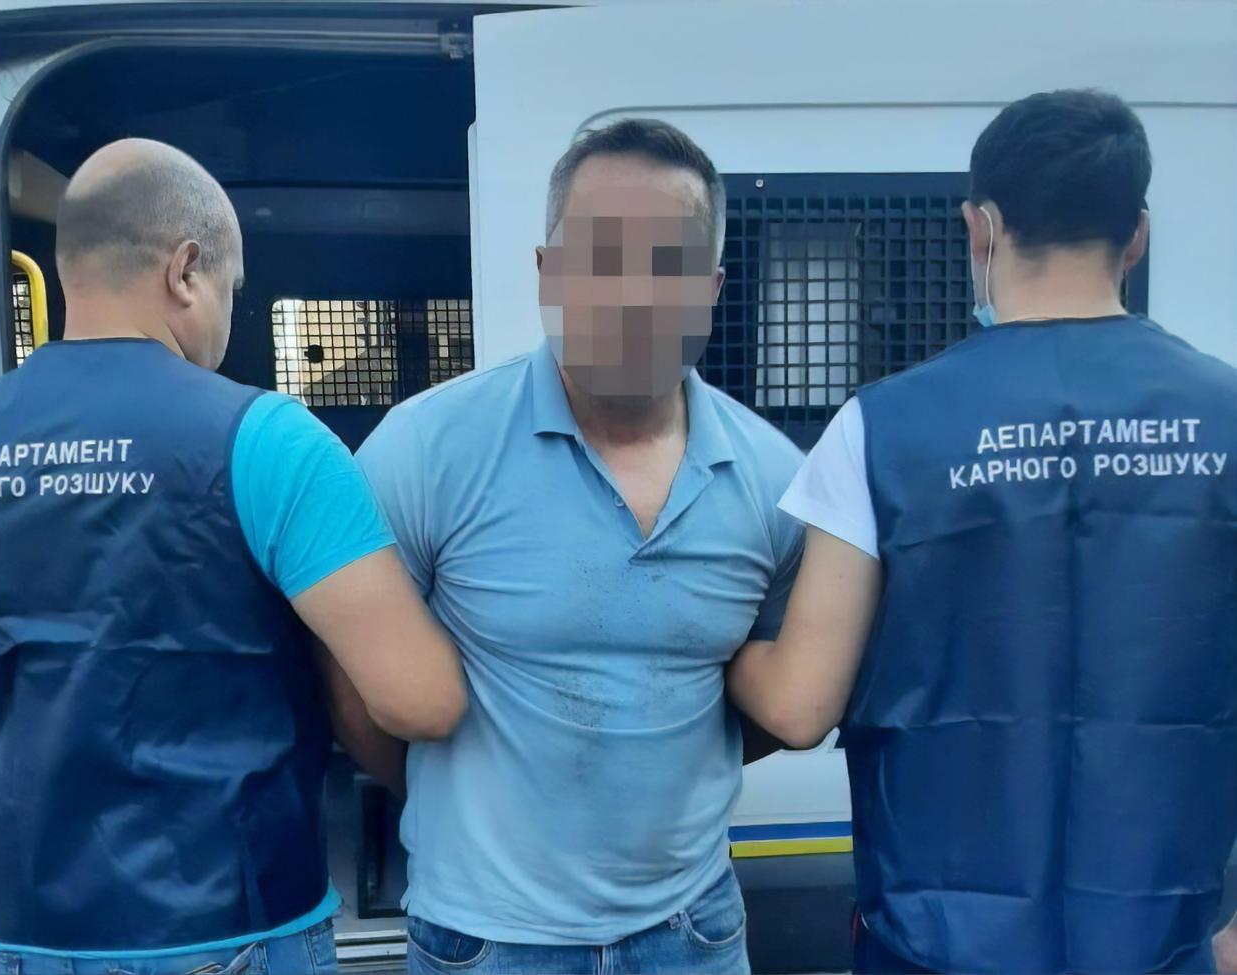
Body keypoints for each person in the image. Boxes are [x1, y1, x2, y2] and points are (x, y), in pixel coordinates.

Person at [730, 88, 1237, 974]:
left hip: (932, 948)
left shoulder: (881, 427)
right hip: (1157, 947)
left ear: (981, 227)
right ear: (1137, 235)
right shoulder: (1227, 417)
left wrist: (702, 634)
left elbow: (800, 706)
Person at [0, 138, 467, 975]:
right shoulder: (267, 440)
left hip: (22, 934)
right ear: (185, 270)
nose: (229, 317)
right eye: (232, 288)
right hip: (229, 928)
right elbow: (421, 699)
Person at [353, 118, 803, 975]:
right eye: (600, 256)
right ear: (546, 271)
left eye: (667, 262)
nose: (632, 293)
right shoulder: (427, 451)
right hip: (486, 941)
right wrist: (461, 802)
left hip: (693, 934)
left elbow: (781, 694)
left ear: (711, 287)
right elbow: (353, 688)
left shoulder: (773, 480)